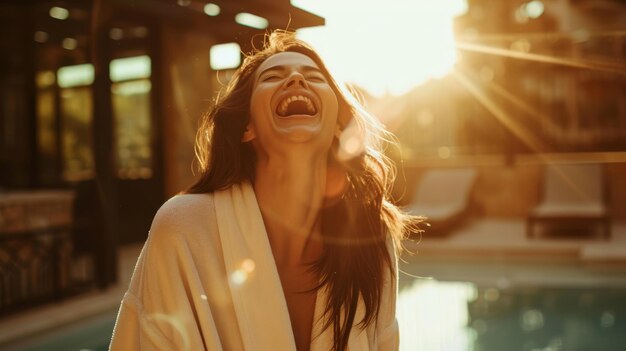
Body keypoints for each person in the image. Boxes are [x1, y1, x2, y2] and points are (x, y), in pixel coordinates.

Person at [109, 30, 417, 351]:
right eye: (273, 76)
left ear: (338, 126)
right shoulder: (182, 228)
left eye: (314, 76)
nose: (297, 79)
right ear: (246, 127)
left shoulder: (370, 232)